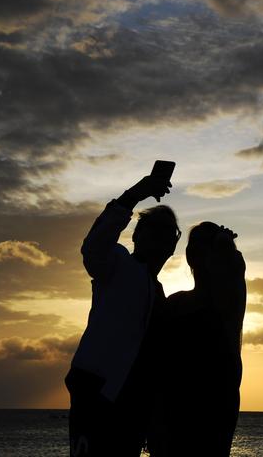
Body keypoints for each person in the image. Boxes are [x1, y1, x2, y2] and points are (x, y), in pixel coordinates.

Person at [65, 175, 178, 456]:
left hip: (133, 408)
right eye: (155, 230)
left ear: (173, 246)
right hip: (97, 396)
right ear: (137, 235)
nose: (162, 239)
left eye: (169, 233)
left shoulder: (160, 294)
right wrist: (135, 194)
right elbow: (94, 246)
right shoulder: (117, 263)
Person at [149, 222, 247, 456]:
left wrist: (223, 244)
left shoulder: (227, 304)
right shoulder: (175, 302)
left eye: (204, 245)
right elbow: (156, 365)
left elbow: (234, 268)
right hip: (171, 414)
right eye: (193, 245)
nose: (196, 251)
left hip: (213, 411)